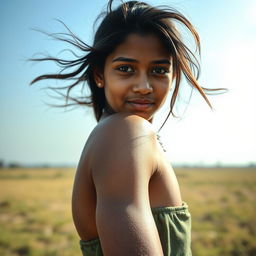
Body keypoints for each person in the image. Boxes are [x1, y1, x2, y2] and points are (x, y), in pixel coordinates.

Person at [30, 1, 221, 255]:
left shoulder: (116, 134)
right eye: (126, 69)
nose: (144, 85)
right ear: (99, 74)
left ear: (173, 75)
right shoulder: (127, 132)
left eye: (159, 70)